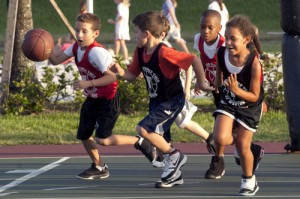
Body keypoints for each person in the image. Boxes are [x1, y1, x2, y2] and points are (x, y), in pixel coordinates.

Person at [112, 10, 214, 188]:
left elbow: (193, 60)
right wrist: (119, 72)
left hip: (172, 100)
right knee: (160, 140)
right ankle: (175, 175)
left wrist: (202, 83)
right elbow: (131, 75)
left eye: (136, 32)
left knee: (143, 129)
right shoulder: (140, 51)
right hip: (156, 101)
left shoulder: (164, 52)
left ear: (147, 33)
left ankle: (175, 156)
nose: (134, 36)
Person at [49, 12, 155, 180]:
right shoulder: (76, 47)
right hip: (92, 98)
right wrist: (48, 51)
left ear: (95, 33)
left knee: (102, 140)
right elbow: (55, 61)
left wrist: (88, 84)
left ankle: (140, 141)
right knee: (84, 135)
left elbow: (112, 77)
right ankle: (99, 166)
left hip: (108, 98)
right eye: (77, 30)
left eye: (84, 31)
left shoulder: (96, 52)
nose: (79, 34)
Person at [194, 10, 264, 181]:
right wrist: (209, 82)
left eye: (210, 28)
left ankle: (248, 173)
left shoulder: (248, 59)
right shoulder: (210, 46)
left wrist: (240, 92)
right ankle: (219, 159)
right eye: (203, 27)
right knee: (220, 136)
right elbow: (211, 65)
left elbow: (255, 93)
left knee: (240, 142)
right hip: (226, 94)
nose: (206, 31)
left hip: (246, 100)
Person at [108, 0, 130, 64]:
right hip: (124, 26)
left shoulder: (120, 6)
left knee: (122, 42)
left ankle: (126, 58)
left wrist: (113, 22)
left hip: (120, 27)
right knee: (117, 41)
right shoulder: (125, 5)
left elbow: (121, 17)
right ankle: (115, 56)